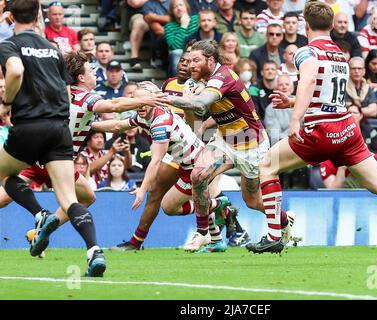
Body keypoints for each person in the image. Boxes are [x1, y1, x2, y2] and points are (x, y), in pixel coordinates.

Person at [250, 2, 377, 263]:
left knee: (266, 165)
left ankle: (274, 236)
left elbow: (310, 80)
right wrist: (291, 101)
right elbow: (325, 93)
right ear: (332, 26)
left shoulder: (305, 51)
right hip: (346, 129)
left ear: (306, 25)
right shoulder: (338, 55)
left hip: (320, 130)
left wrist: (295, 117)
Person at [0, 0, 105, 276]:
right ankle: (94, 251)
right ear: (38, 15)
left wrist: (7, 101)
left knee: (6, 176)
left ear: (10, 17)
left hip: (29, 127)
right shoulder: (53, 49)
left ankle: (39, 214)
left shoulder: (9, 45)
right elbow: (63, 87)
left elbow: (15, 71)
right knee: (70, 199)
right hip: (59, 130)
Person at [166, 40, 295, 251]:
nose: (191, 66)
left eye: (196, 61)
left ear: (210, 60)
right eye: (188, 61)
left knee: (252, 201)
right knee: (198, 176)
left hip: (251, 144)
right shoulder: (199, 80)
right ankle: (204, 234)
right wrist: (189, 101)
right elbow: (196, 119)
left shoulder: (223, 76)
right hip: (225, 139)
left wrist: (167, 98)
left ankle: (284, 219)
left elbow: (200, 104)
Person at [92, 87, 230, 252]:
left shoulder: (160, 123)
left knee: (169, 207)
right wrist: (92, 125)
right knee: (179, 203)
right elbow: (117, 125)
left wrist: (142, 190)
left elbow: (156, 160)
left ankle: (215, 208)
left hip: (196, 166)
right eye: (138, 103)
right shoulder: (147, 114)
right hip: (192, 162)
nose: (141, 106)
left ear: (153, 100)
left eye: (145, 102)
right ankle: (217, 235)